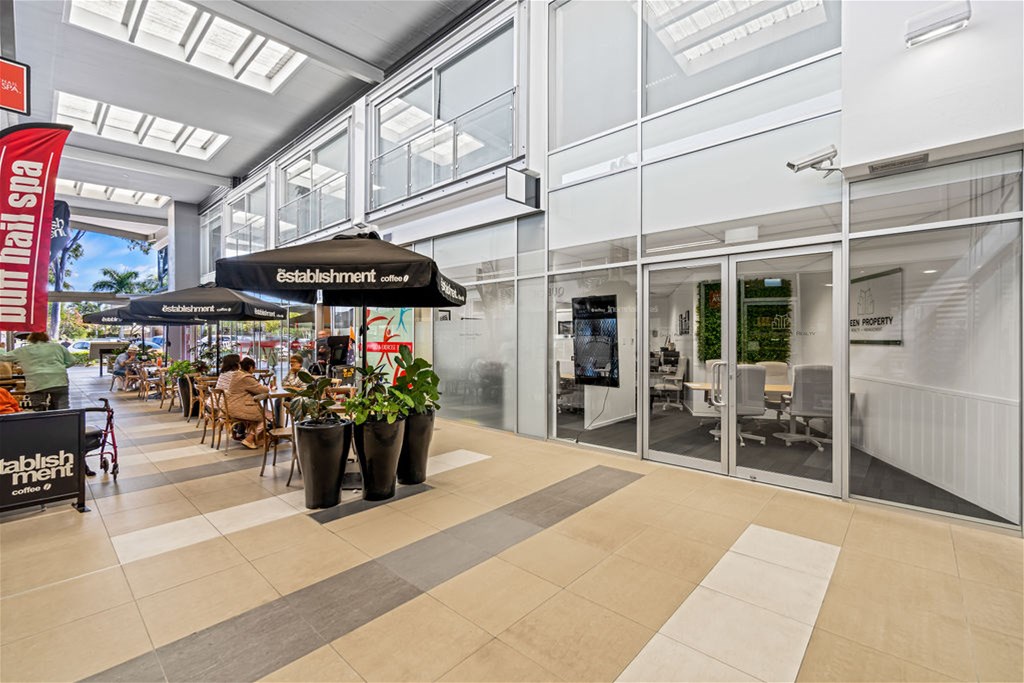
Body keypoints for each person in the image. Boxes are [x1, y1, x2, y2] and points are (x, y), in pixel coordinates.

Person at [0, 332, 75, 411]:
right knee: (62, 407)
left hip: (36, 382)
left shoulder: (22, 350)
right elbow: (72, 361)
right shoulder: (58, 347)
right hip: (59, 380)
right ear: (46, 338)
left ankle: (39, 412)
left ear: (30, 339)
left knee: (38, 408)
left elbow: (3, 357)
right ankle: (63, 417)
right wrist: (60, 367)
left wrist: (1, 348)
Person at [226, 357, 271, 449]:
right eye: (254, 368)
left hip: (230, 406)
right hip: (239, 408)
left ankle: (257, 438)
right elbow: (263, 390)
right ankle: (250, 438)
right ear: (250, 367)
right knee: (268, 416)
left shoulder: (236, 375)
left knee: (260, 412)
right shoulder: (246, 378)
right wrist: (270, 387)